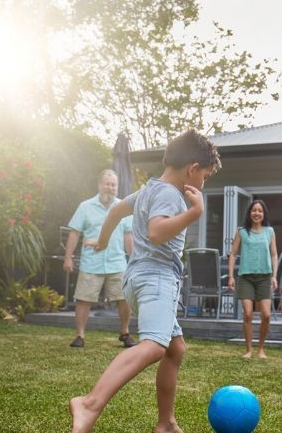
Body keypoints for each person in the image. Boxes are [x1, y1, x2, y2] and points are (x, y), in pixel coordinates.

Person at [69, 129, 221, 433]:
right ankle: (89, 403)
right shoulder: (170, 194)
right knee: (153, 346)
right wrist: (195, 212)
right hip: (157, 279)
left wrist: (101, 241)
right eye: (204, 176)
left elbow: (115, 211)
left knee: (174, 349)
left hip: (137, 278)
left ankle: (166, 423)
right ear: (192, 169)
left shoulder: (150, 189)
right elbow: (156, 231)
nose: (203, 183)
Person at [64, 169, 137, 349]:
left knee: (124, 298)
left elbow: (129, 236)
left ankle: (125, 332)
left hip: (117, 262)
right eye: (107, 184)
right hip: (91, 262)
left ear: (117, 187)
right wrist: (68, 257)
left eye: (113, 185)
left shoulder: (124, 207)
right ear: (99, 185)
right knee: (83, 299)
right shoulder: (85, 207)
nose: (110, 187)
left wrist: (134, 259)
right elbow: (74, 233)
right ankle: (80, 336)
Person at [227, 200, 278, 359]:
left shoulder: (269, 231)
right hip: (246, 278)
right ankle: (248, 350)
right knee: (248, 314)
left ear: (264, 214)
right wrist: (230, 276)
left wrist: (274, 276)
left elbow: (274, 254)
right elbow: (233, 254)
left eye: (260, 211)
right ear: (249, 213)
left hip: (264, 277)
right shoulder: (242, 232)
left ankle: (261, 349)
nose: (257, 213)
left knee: (266, 315)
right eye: (254, 210)